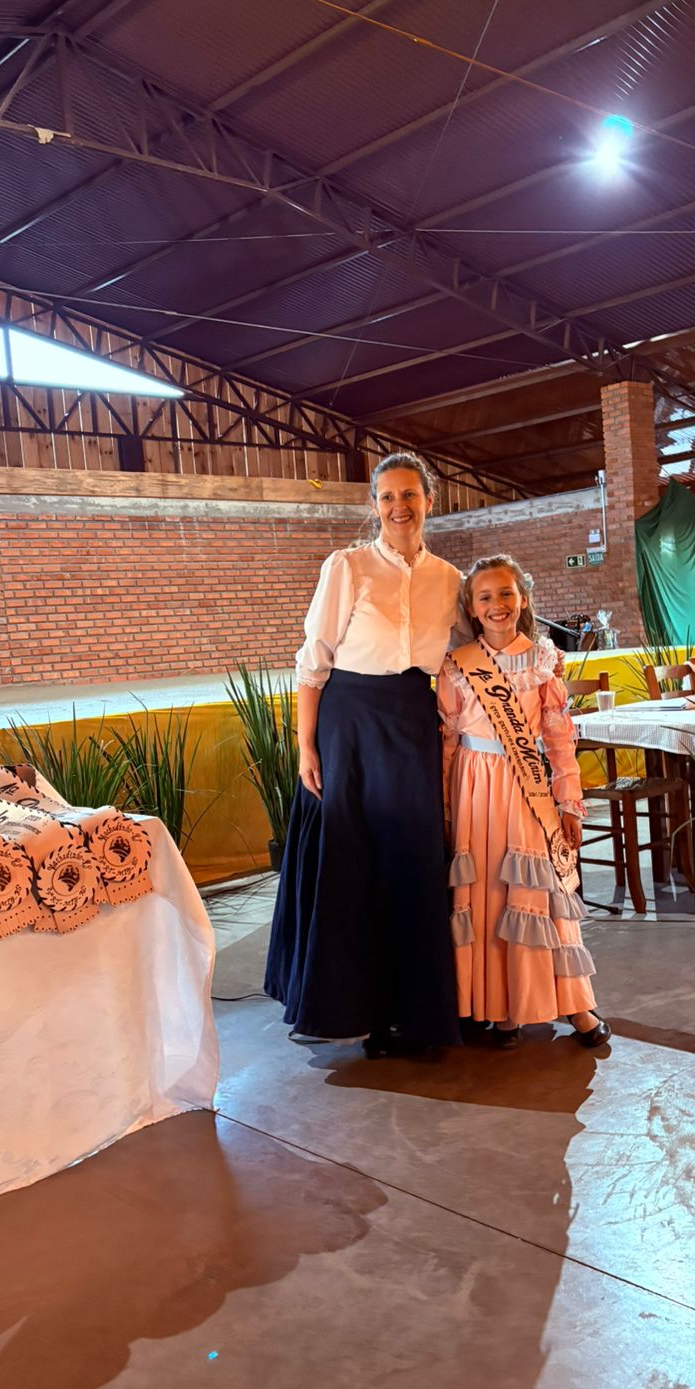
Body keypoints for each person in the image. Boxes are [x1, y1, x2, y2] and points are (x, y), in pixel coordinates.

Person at [264, 453, 462, 1057]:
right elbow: (314, 660)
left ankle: (414, 1012)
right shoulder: (346, 566)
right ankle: (359, 1013)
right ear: (374, 505)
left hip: (412, 721)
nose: (400, 507)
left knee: (412, 859)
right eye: (388, 497)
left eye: (410, 495)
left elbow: (466, 652)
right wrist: (306, 744)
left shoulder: (449, 578)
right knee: (354, 861)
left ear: (430, 501)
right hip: (348, 724)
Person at [438, 555, 610, 1051]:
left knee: (537, 890)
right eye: (485, 597)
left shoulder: (542, 660)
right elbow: (447, 742)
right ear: (472, 608)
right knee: (487, 893)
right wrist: (445, 807)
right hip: (473, 791)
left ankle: (574, 1004)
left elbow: (559, 740)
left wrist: (569, 802)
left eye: (506, 594)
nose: (497, 605)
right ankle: (501, 1009)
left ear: (524, 599)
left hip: (525, 788)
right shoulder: (456, 665)